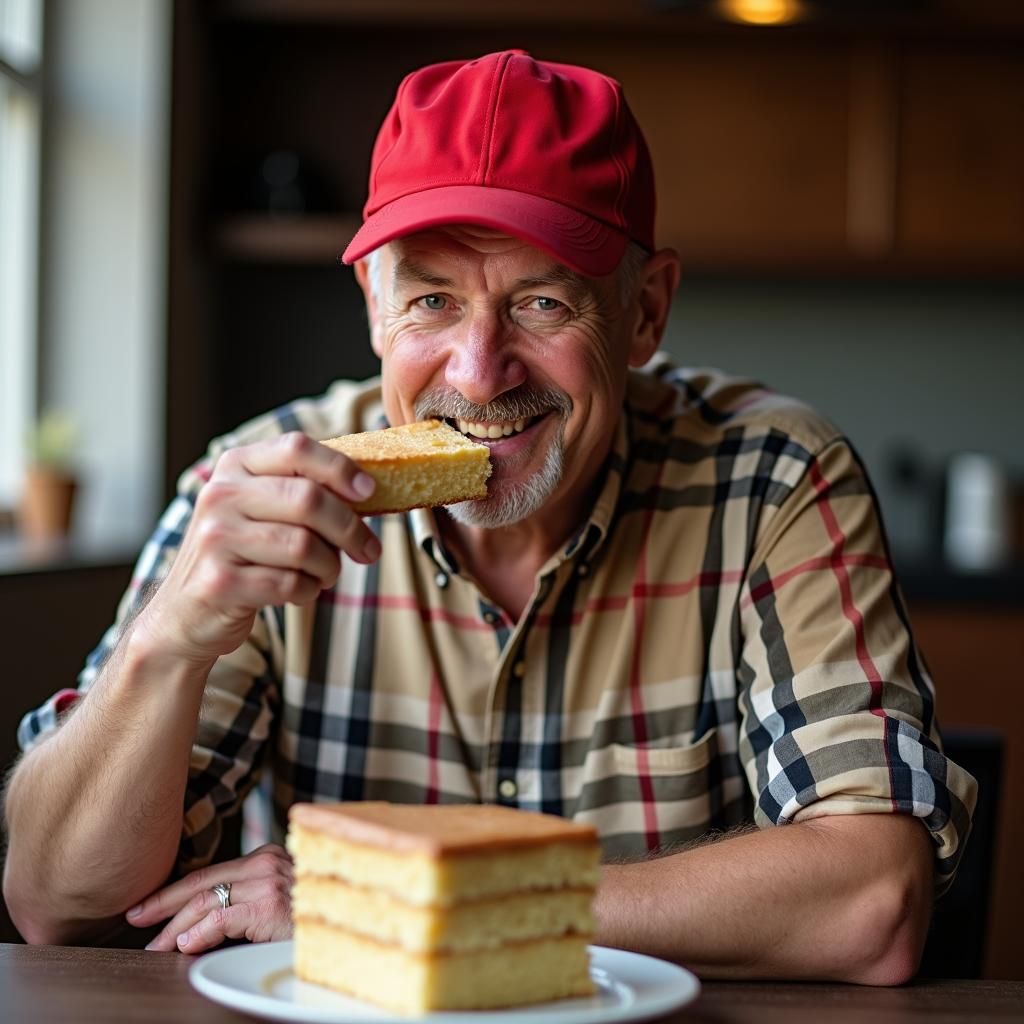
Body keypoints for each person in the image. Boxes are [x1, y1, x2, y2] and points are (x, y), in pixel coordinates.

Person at [4, 50, 975, 983]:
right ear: (373, 308)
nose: (478, 371)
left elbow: (872, 901)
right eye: (430, 300)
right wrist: (168, 644)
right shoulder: (254, 493)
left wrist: (404, 903)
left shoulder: (773, 481)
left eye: (543, 303)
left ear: (646, 310)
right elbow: (54, 901)